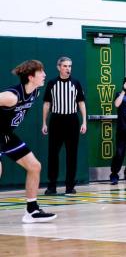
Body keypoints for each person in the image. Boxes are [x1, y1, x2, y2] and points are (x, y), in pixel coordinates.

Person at [0, 60, 57, 223]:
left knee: (34, 166)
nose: (45, 75)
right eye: (41, 72)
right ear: (31, 77)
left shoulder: (35, 92)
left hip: (6, 135)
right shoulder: (12, 96)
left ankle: (31, 211)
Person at [42, 56, 87, 195]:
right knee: (53, 154)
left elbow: (81, 103)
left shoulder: (76, 83)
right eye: (65, 66)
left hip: (72, 120)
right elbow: (47, 104)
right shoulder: (51, 83)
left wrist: (84, 121)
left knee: (71, 155)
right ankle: (52, 186)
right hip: (56, 120)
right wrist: (44, 122)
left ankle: (70, 186)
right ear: (59, 67)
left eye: (70, 66)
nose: (68, 69)